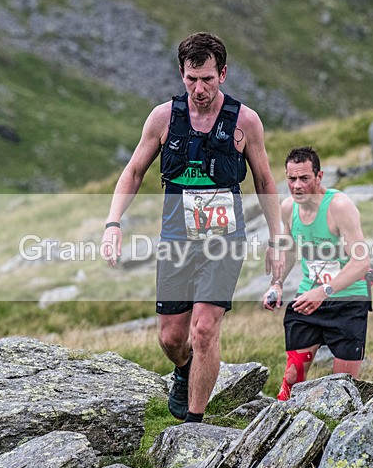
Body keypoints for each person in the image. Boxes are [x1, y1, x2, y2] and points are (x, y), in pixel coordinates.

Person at [101, 32, 284, 422]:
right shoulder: (163, 118)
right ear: (181, 74)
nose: (199, 89)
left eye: (208, 80)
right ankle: (183, 370)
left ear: (223, 74)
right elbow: (133, 172)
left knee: (204, 329)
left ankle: (193, 424)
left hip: (224, 241)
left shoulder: (245, 121)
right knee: (172, 338)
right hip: (176, 240)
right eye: (191, 79)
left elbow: (265, 182)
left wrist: (277, 239)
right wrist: (113, 224)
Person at [263, 147, 371, 401]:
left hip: (347, 303)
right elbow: (289, 252)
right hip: (308, 302)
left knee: (342, 390)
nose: (297, 186)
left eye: (304, 179)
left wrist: (324, 292)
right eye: (291, 179)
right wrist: (277, 284)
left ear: (319, 176)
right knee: (291, 380)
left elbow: (362, 262)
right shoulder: (289, 208)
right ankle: (281, 431)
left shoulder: (339, 206)